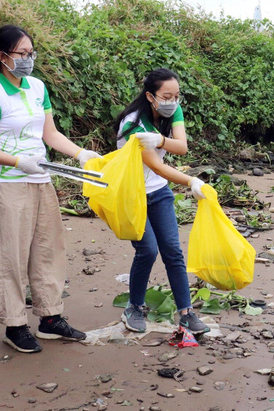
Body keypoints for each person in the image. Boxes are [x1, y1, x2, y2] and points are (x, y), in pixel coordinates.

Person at [0, 25, 101, 353]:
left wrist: (81, 154)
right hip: (7, 185)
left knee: (48, 250)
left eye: (31, 53)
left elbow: (50, 134)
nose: (28, 59)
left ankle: (50, 318)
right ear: (2, 57)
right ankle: (14, 325)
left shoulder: (37, 87)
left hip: (41, 180)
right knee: (12, 256)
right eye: (22, 54)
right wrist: (16, 161)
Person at [111, 68, 209, 336]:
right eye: (166, 96)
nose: (172, 101)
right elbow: (157, 166)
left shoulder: (172, 109)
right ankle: (134, 306)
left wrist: (161, 139)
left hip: (159, 192)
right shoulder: (132, 124)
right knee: (148, 249)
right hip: (132, 194)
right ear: (150, 96)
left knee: (173, 251)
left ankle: (186, 313)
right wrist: (191, 181)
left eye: (176, 96)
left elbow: (182, 146)